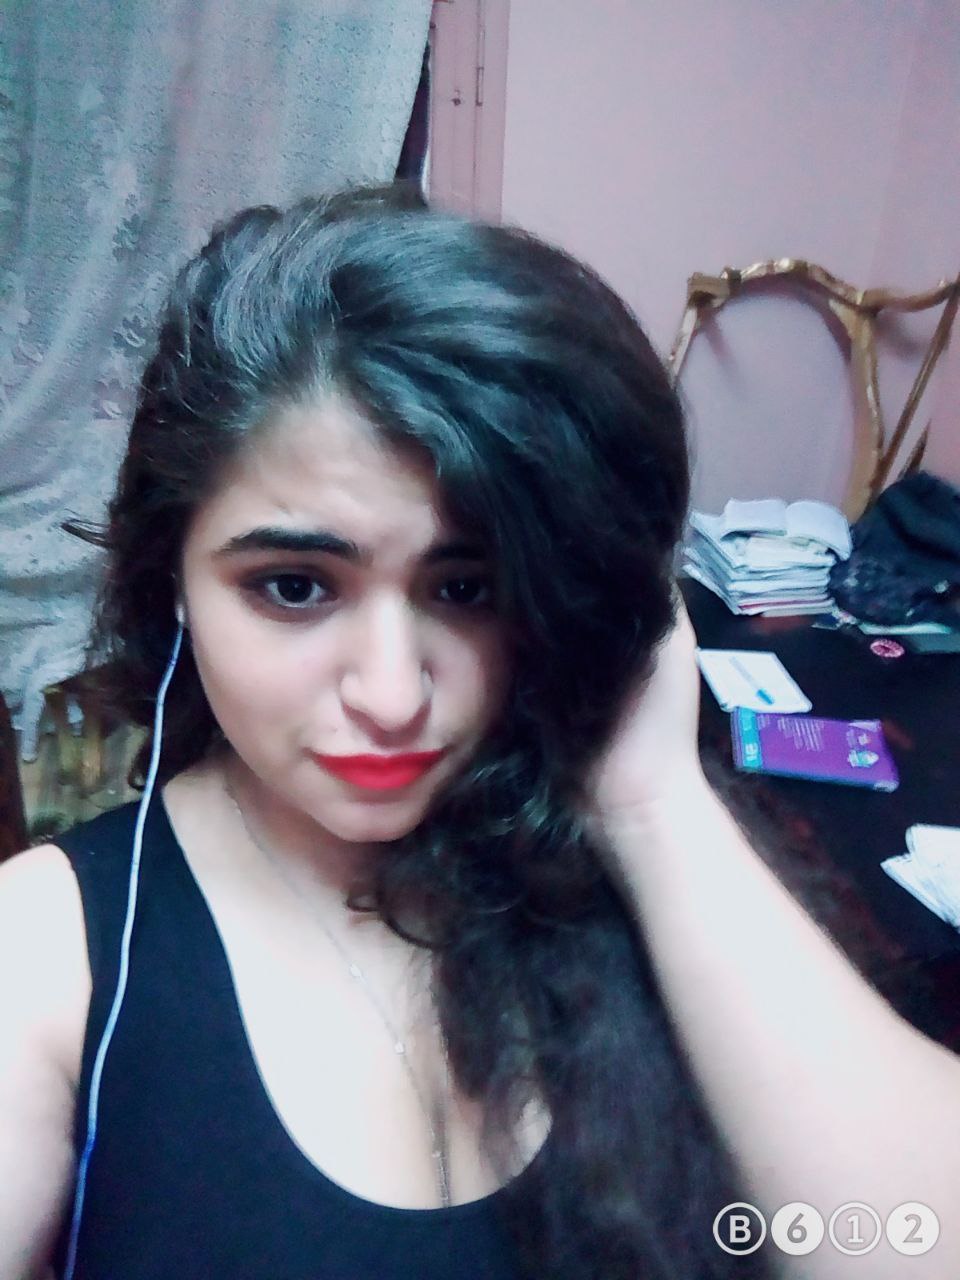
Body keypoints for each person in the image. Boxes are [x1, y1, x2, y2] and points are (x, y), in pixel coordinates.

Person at [0, 185, 957, 1280]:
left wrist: (654, 805)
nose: (393, 695)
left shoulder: (632, 866)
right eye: (296, 585)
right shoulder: (47, 950)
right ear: (173, 577)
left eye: (466, 587)